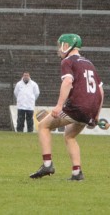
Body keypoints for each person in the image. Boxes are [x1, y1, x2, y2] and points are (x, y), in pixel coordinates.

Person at [30, 33, 104, 181]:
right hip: (91, 108)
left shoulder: (68, 61)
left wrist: (59, 106)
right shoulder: (89, 63)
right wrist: (95, 114)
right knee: (69, 136)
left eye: (61, 45)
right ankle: (77, 173)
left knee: (43, 126)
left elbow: (67, 82)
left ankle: (47, 164)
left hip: (76, 106)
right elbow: (101, 90)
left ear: (67, 45)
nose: (59, 49)